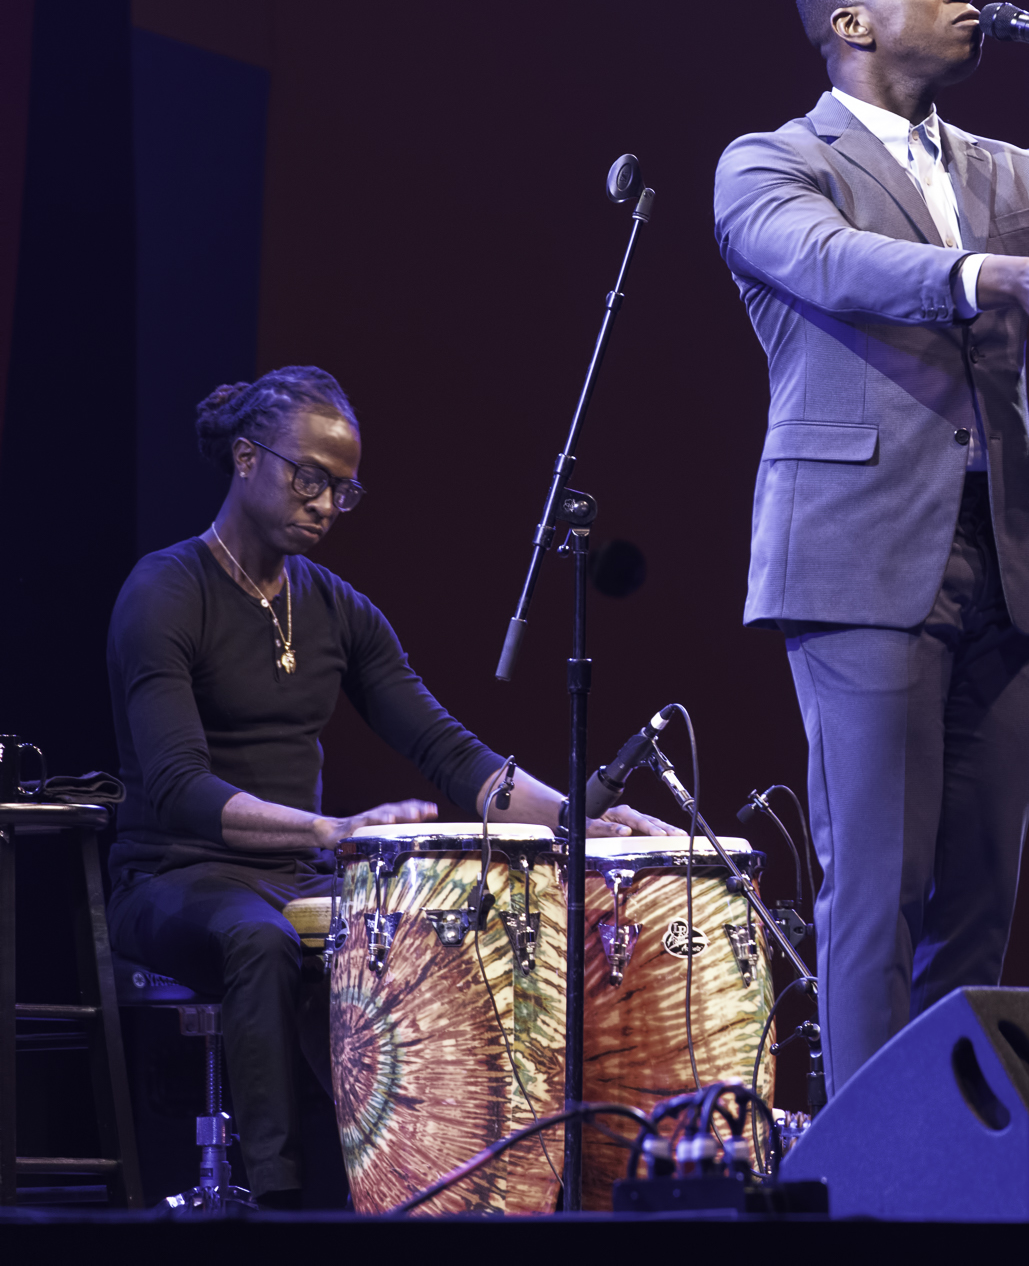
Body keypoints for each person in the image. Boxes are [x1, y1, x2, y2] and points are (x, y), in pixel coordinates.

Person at [712, 0, 1029, 1093]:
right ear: (852, 23)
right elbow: (831, 263)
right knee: (877, 889)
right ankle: (862, 1186)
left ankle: (946, 1169)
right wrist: (988, 274)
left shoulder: (1012, 170)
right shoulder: (774, 161)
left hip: (1004, 555)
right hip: (859, 561)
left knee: (978, 902)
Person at [106, 367, 669, 1206]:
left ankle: (427, 1186)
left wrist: (578, 820)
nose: (327, 504)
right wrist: (329, 832)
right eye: (310, 479)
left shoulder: (339, 610)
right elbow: (183, 787)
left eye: (343, 489)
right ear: (246, 458)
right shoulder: (164, 590)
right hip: (176, 876)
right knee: (258, 941)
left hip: (299, 879)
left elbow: (452, 754)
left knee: (430, 935)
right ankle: (279, 1201)